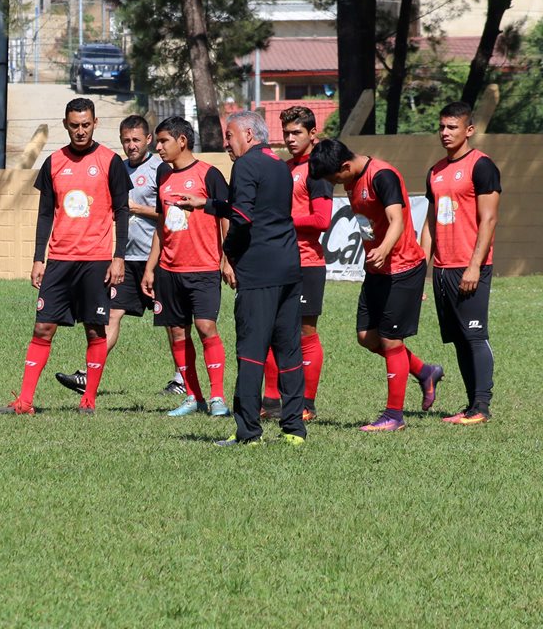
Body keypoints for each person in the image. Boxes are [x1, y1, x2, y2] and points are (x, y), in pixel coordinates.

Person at [174, 111, 306, 446]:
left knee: (251, 352)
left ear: (248, 133)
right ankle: (294, 431)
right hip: (289, 267)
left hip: (258, 271)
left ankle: (248, 432)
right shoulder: (278, 164)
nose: (225, 143)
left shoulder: (246, 165)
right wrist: (207, 204)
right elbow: (255, 207)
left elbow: (244, 217)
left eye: (229, 135)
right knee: (288, 349)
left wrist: (228, 253)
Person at [0, 97, 129, 415]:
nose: (80, 131)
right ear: (65, 125)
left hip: (96, 260)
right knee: (43, 328)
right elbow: (45, 214)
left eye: (86, 124)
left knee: (95, 329)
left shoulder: (110, 161)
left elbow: (122, 211)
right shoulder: (54, 162)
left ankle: (88, 399)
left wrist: (119, 256)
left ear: (95, 123)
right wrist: (38, 258)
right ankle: (25, 401)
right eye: (74, 125)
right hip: (59, 260)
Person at [309, 138, 444, 431]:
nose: (334, 184)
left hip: (403, 268)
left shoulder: (382, 175)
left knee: (391, 340)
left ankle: (394, 416)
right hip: (377, 270)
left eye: (334, 178)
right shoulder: (351, 179)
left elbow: (397, 219)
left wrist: (383, 249)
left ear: (345, 166)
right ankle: (425, 371)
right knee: (366, 337)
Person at [54, 115, 182, 397]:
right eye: (126, 140)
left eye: (137, 140)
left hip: (157, 259)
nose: (131, 145)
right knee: (111, 315)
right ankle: (89, 374)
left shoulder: (160, 170)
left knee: (172, 320)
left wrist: (137, 209)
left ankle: (181, 379)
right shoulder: (118, 167)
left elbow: (171, 213)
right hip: (126, 258)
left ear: (148, 140)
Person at [141, 116, 232, 418]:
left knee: (206, 328)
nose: (158, 147)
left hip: (204, 268)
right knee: (177, 333)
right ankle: (193, 396)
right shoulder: (163, 176)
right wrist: (150, 267)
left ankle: (217, 397)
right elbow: (161, 224)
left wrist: (227, 258)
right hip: (169, 269)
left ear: (182, 141)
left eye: (163, 140)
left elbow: (225, 216)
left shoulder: (210, 174)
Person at [420, 101, 501, 425]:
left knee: (475, 334)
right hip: (442, 268)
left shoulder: (482, 166)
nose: (445, 133)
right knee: (458, 338)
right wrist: (420, 272)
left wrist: (474, 265)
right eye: (441, 127)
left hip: (470, 267)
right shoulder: (435, 172)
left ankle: (482, 407)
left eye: (452, 127)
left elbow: (490, 219)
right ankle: (470, 406)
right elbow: (429, 224)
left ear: (468, 130)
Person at [258, 106, 333, 422]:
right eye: (286, 133)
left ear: (312, 134)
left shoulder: (318, 171)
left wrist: (283, 220)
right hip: (278, 262)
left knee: (305, 333)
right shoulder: (284, 168)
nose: (289, 139)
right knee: (273, 332)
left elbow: (322, 219)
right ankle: (272, 403)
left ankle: (307, 404)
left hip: (307, 263)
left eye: (296, 133)